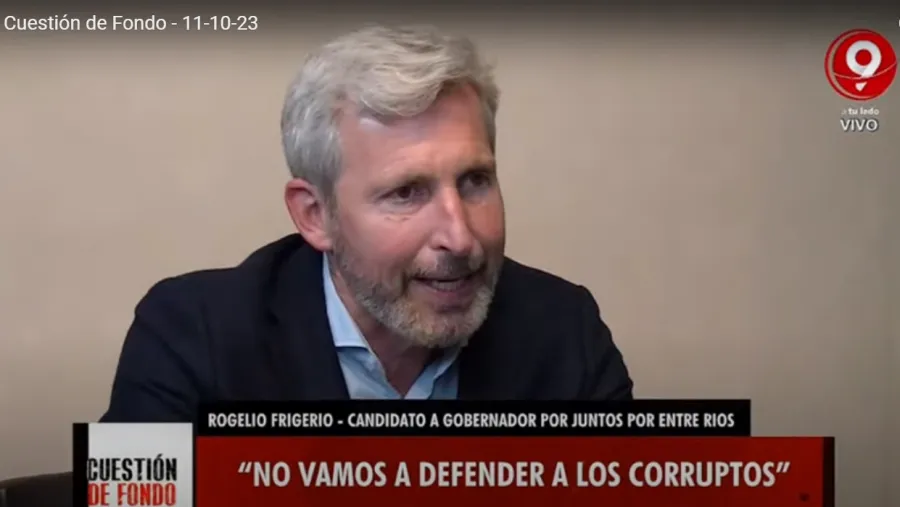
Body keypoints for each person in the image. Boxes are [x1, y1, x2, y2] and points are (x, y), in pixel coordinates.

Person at [101, 24, 633, 422]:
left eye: (474, 181)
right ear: (316, 216)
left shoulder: (564, 331)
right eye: (406, 192)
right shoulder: (192, 336)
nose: (460, 237)